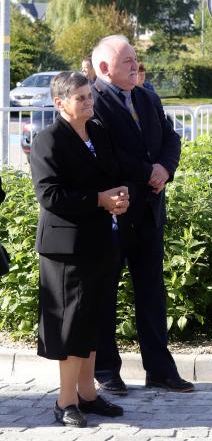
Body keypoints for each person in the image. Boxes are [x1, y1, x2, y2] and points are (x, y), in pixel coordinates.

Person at [90, 35, 192, 395]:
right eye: (127, 61)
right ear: (105, 68)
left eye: (135, 58)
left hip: (150, 212)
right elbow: (108, 153)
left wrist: (165, 168)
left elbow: (171, 139)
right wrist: (148, 171)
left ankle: (160, 370)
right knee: (105, 295)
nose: (136, 66)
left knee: (152, 293)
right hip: (114, 215)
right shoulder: (93, 101)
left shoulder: (147, 97)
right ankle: (106, 370)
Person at [30, 71, 131, 427]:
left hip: (101, 241)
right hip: (66, 249)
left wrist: (119, 196)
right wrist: (99, 199)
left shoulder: (98, 132)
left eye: (90, 96)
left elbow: (111, 174)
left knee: (94, 320)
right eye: (81, 98)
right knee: (71, 325)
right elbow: (50, 195)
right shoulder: (48, 140)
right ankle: (65, 400)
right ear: (60, 103)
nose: (89, 102)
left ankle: (88, 394)